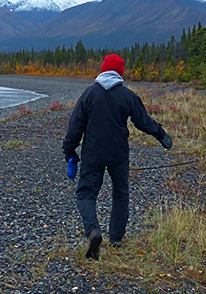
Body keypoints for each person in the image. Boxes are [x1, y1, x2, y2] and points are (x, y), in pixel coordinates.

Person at [62, 53, 172, 260]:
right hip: (118, 154)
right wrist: (162, 135)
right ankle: (116, 238)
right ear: (120, 72)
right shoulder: (127, 96)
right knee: (120, 194)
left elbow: (75, 126)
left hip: (93, 154)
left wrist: (70, 151)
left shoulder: (89, 94)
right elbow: (144, 122)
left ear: (103, 69)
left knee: (86, 193)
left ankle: (93, 231)